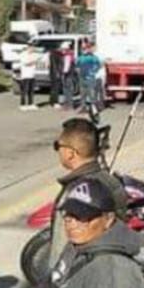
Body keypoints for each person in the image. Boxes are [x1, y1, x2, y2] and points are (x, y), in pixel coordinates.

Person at [46, 118, 130, 276]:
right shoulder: (111, 181)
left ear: (70, 153)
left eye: (58, 146)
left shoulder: (76, 193)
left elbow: (62, 246)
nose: (57, 151)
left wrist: (55, 280)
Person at [77, 41, 106, 112]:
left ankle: (94, 109)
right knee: (83, 94)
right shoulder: (80, 57)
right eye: (83, 49)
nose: (85, 50)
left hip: (90, 78)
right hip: (82, 78)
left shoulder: (94, 57)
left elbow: (99, 65)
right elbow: (77, 66)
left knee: (92, 94)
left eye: (86, 48)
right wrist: (79, 73)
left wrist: (92, 72)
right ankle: (83, 107)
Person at [59, 42, 80, 110]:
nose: (62, 50)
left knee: (68, 90)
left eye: (63, 49)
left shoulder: (68, 56)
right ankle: (67, 104)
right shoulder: (68, 55)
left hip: (68, 74)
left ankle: (69, 105)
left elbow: (67, 67)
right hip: (68, 74)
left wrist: (64, 73)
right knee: (66, 90)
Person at [47, 44, 64, 108]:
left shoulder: (54, 54)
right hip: (55, 73)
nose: (62, 50)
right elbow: (54, 65)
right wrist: (57, 73)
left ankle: (52, 101)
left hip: (55, 73)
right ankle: (55, 102)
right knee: (56, 88)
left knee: (54, 88)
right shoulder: (55, 55)